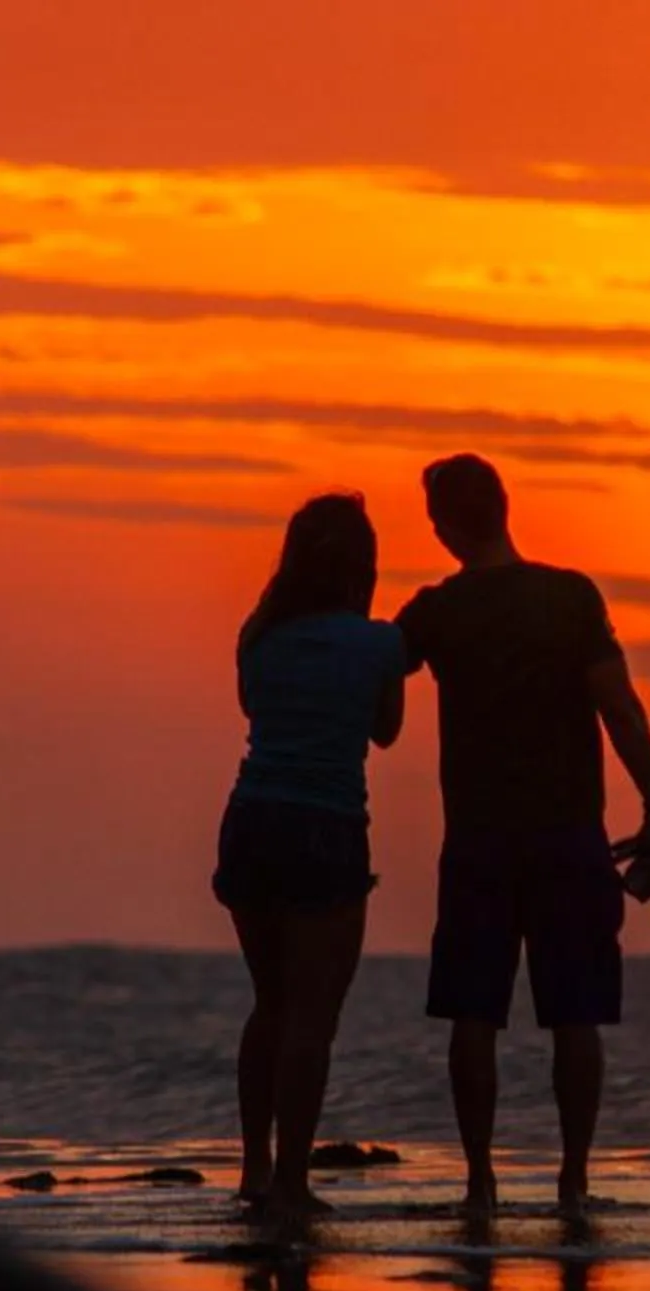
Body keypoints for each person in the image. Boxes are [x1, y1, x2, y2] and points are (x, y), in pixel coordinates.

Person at [396, 455, 650, 1218]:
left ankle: (479, 1183)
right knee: (576, 1016)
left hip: (479, 842)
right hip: (568, 836)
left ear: (443, 528)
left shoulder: (435, 612)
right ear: (505, 507)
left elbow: (378, 679)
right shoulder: (569, 596)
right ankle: (573, 1181)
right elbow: (619, 707)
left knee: (473, 1015)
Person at [212, 494, 408, 1216]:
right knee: (312, 1015)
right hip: (325, 826)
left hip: (251, 820)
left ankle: (255, 1168)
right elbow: (385, 730)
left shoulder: (259, 634)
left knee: (269, 1002)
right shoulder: (379, 644)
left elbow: (254, 710)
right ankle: (293, 1181)